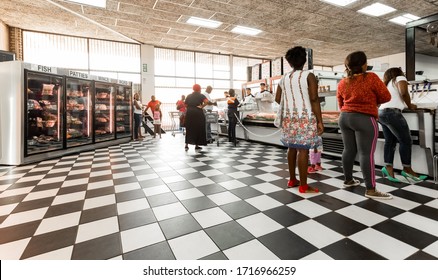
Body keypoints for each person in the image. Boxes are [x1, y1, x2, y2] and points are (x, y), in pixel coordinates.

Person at [337, 51, 392, 200]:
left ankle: (348, 180)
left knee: (348, 150)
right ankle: (371, 189)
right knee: (366, 153)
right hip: (364, 118)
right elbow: (386, 96)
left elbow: (340, 103)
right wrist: (373, 101)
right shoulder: (371, 77)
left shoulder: (343, 82)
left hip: (344, 118)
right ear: (363, 64)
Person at [275, 46, 324, 193]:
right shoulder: (308, 76)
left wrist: (291, 104)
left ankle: (292, 180)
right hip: (305, 117)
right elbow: (314, 99)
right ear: (305, 60)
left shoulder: (283, 78)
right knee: (303, 150)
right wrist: (320, 121)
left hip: (288, 118)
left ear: (289, 63)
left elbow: (278, 98)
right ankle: (303, 186)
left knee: (292, 147)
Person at [379, 67, 428, 182]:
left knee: (390, 141)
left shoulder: (387, 84)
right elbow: (404, 92)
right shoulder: (400, 78)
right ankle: (407, 169)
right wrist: (410, 105)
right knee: (406, 140)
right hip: (392, 113)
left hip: (381, 112)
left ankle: (388, 169)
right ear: (399, 73)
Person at [185, 84, 208, 151]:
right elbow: (206, 102)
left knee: (189, 128)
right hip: (198, 112)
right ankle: (197, 145)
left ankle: (186, 145)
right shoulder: (201, 95)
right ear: (199, 89)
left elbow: (185, 104)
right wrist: (202, 106)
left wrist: (190, 108)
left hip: (190, 113)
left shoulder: (189, 96)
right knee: (198, 128)